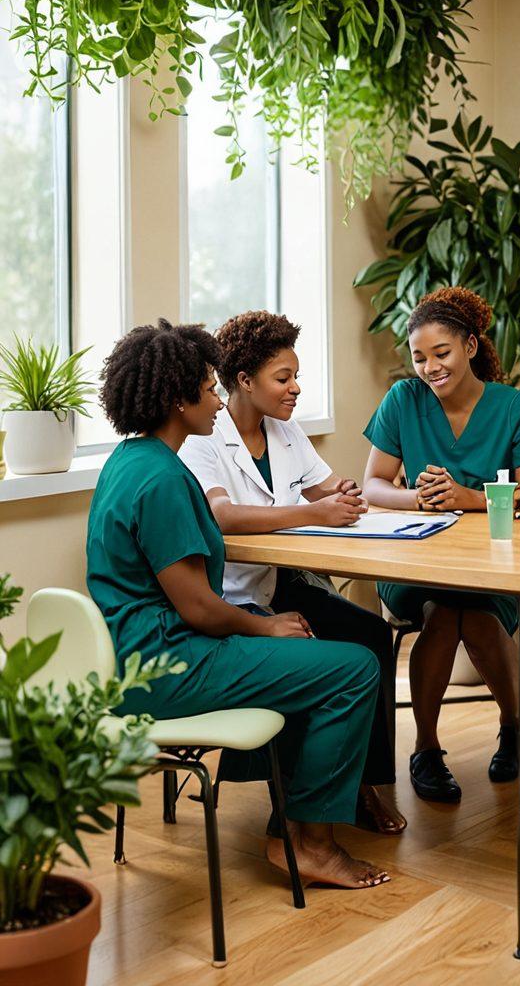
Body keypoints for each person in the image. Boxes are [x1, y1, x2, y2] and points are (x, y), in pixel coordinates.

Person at [87, 319, 390, 889]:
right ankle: (312, 844)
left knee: (319, 655)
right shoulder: (164, 481)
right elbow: (199, 608)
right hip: (169, 663)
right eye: (207, 388)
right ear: (178, 400)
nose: (215, 400)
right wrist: (265, 627)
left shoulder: (129, 462)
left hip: (140, 656)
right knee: (354, 668)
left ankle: (296, 825)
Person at [179, 309, 405, 836]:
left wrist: (341, 493)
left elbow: (321, 487)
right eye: (284, 378)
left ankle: (361, 786)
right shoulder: (202, 437)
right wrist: (312, 512)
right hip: (230, 594)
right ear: (243, 380)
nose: (296, 388)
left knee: (370, 633)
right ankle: (298, 811)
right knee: (316, 655)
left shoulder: (284, 428)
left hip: (277, 581)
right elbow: (221, 516)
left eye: (296, 376)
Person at [363, 287, 520, 803]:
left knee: (473, 610)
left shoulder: (515, 408)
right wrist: (416, 501)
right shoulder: (402, 401)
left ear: (470, 346)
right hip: (416, 559)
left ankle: (513, 728)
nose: (429, 368)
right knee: (444, 608)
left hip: (495, 563)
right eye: (420, 358)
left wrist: (467, 498)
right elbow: (374, 485)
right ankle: (427, 747)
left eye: (441, 354)